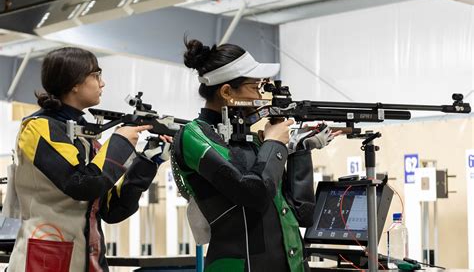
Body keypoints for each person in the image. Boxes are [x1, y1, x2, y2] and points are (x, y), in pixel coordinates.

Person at [171, 39, 339, 272]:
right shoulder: (194, 136)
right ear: (227, 92)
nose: (261, 96)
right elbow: (253, 193)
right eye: (255, 88)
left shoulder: (253, 141)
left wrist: (299, 150)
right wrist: (274, 144)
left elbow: (302, 214)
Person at [6, 47, 170, 272]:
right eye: (96, 75)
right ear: (74, 82)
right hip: (45, 260)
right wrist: (119, 143)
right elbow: (82, 184)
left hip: (88, 260)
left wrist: (148, 161)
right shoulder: (39, 128)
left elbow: (112, 209)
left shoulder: (85, 137)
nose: (102, 83)